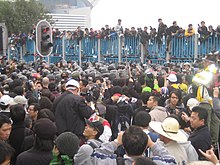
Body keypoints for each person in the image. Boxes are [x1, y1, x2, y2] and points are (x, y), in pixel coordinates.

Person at [84, 126, 176, 165]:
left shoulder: (111, 162)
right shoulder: (156, 163)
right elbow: (171, 160)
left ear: (123, 146)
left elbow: (95, 155)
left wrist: (116, 142)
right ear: (145, 147)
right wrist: (152, 144)